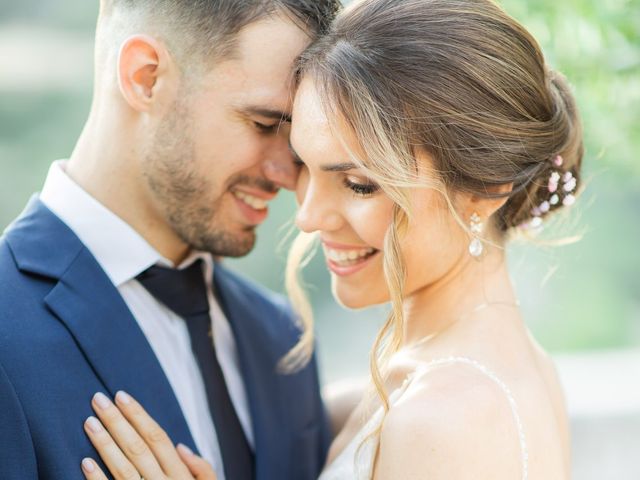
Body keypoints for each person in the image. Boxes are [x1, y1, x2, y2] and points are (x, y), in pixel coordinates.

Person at [76, 0, 583, 478]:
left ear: (486, 188)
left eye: (359, 184)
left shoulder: (447, 419)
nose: (309, 217)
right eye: (305, 166)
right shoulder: (420, 383)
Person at [0, 1, 342, 479]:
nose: (287, 174)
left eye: (297, 137)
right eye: (264, 124)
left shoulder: (282, 337)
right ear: (146, 77)